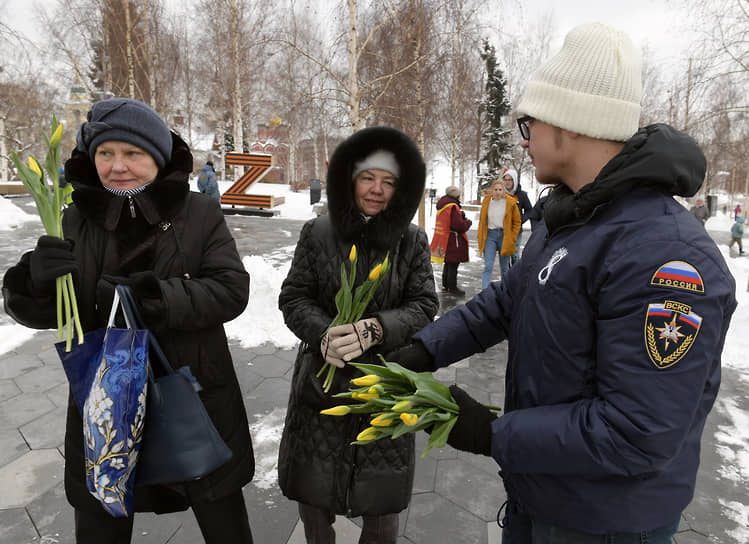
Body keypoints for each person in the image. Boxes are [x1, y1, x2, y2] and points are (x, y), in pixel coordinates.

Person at [389, 22, 736, 543]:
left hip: (606, 520)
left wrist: (490, 432)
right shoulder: (567, 216)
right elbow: (509, 301)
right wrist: (422, 350)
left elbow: (637, 432)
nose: (523, 141)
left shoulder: (666, 255)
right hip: (544, 493)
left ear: (570, 125)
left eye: (529, 123)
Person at [2, 98, 255, 543]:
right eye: (105, 153)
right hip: (107, 403)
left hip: (193, 393)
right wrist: (34, 283)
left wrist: (153, 298)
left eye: (132, 154)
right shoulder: (74, 218)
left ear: (156, 157)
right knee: (102, 525)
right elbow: (59, 309)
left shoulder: (198, 213)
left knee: (224, 527)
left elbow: (231, 290)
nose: (118, 166)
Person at [277, 126, 439, 544]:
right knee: (314, 500)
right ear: (349, 178)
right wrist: (324, 334)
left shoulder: (412, 241)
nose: (377, 191)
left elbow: (424, 306)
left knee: (381, 506)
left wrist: (376, 328)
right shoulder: (318, 233)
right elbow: (294, 298)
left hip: (385, 386)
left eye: (389, 182)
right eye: (369, 178)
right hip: (322, 385)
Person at [477, 177, 521, 289]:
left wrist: (513, 237)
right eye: (495, 189)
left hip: (504, 236)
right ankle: (485, 292)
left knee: (504, 267)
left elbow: (517, 222)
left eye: (500, 189)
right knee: (488, 266)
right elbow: (482, 221)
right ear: (492, 190)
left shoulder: (510, 203)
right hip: (490, 235)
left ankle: (505, 291)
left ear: (504, 190)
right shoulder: (487, 201)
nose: (497, 192)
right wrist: (480, 235)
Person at [430, 185, 472, 296]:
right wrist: (467, 222)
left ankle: (446, 284)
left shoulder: (443, 205)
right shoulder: (452, 206)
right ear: (457, 196)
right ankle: (452, 287)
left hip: (445, 238)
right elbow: (458, 226)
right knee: (453, 264)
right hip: (453, 240)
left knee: (448, 263)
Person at [500, 168, 533, 265]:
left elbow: (530, 210)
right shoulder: (501, 193)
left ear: (514, 180)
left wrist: (521, 219)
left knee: (515, 254)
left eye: (510, 180)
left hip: (516, 230)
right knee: (504, 255)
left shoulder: (522, 195)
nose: (508, 182)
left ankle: (516, 275)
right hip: (503, 230)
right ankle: (506, 277)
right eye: (505, 180)